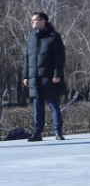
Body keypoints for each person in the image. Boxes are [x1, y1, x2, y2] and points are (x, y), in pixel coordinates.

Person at [22, 11, 66, 142]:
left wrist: (57, 74)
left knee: (54, 105)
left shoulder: (54, 37)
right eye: (31, 20)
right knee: (37, 107)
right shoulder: (31, 38)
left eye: (34, 20)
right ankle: (37, 133)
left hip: (49, 78)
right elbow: (27, 59)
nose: (32, 22)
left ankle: (58, 132)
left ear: (43, 21)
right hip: (35, 79)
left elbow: (60, 58)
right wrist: (26, 76)